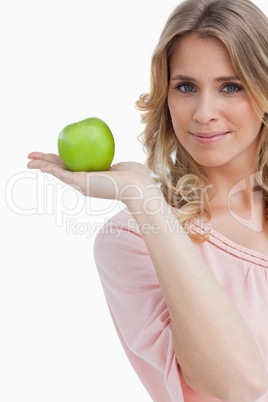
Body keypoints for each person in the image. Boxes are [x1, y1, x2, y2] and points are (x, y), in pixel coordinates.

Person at [27, 0, 268, 400]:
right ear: (166, 96)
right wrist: (142, 196)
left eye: (231, 86)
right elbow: (240, 386)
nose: (204, 112)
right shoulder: (133, 238)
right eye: (186, 87)